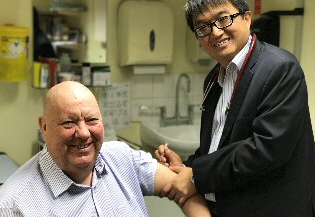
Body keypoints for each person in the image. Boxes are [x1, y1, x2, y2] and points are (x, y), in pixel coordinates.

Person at [156, 0, 315, 217]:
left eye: (223, 19)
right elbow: (220, 144)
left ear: (247, 17)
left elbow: (266, 149)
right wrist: (186, 165)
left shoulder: (279, 68)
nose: (215, 32)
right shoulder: (214, 79)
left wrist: (196, 175)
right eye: (202, 27)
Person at [0, 81, 210, 216]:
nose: (83, 133)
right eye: (68, 123)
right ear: (44, 126)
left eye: (91, 120)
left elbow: (183, 188)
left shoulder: (120, 157)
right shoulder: (15, 204)